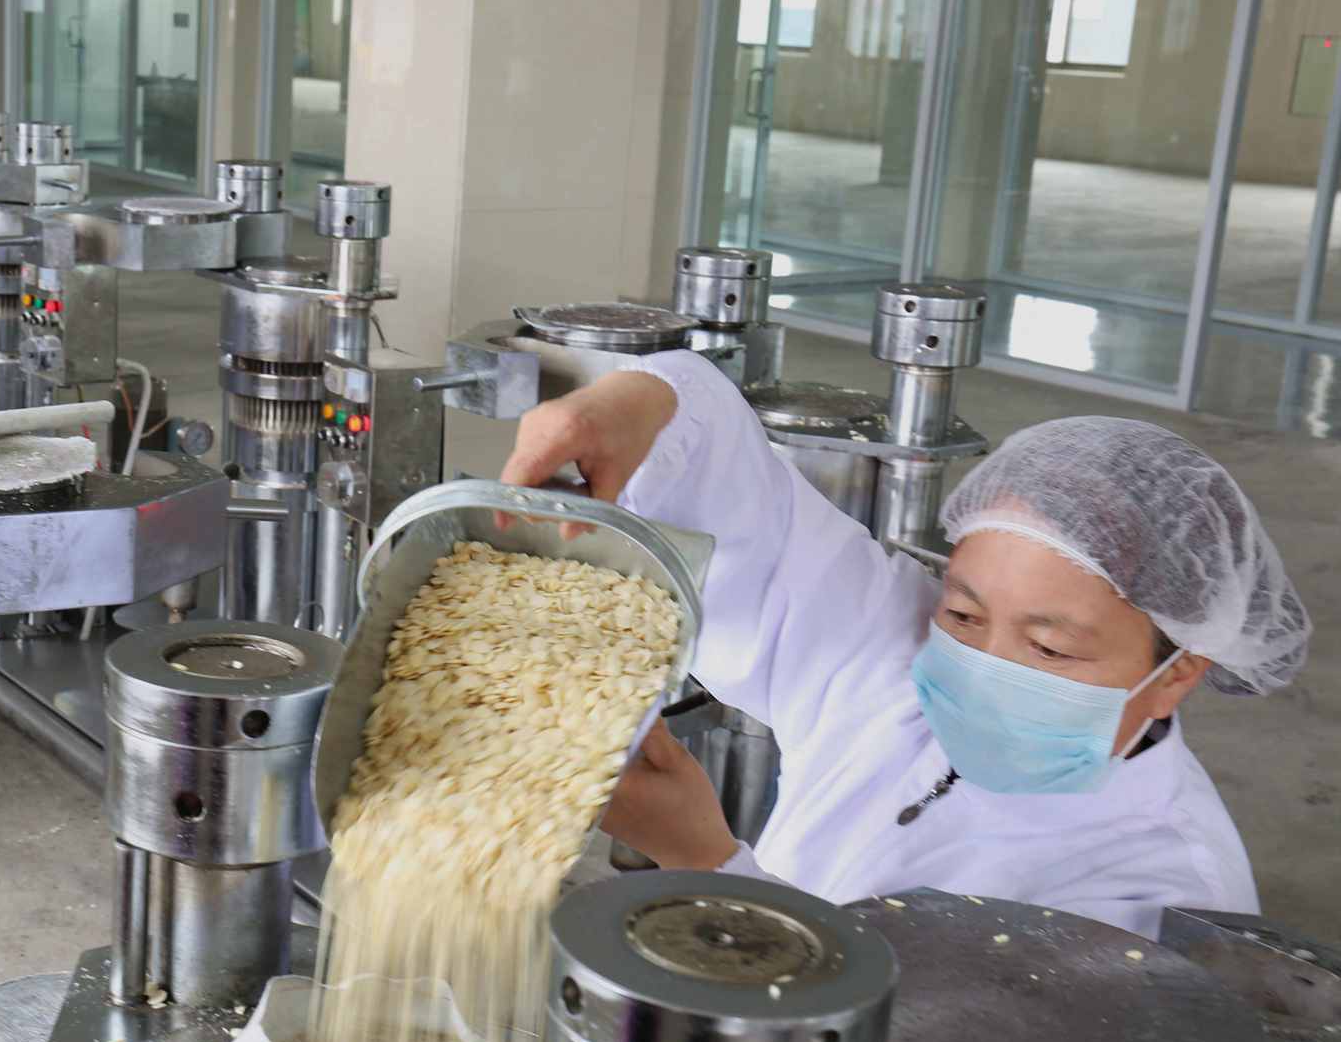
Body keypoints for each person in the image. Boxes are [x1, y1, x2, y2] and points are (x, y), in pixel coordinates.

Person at [500, 351, 1310, 937]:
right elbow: (745, 516)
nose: (982, 666)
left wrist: (707, 866)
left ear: (1179, 671)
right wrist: (639, 404)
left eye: (1049, 650)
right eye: (964, 614)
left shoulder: (1165, 896)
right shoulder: (893, 653)